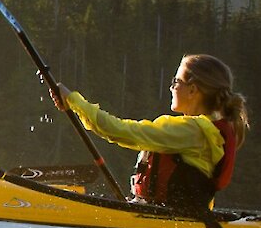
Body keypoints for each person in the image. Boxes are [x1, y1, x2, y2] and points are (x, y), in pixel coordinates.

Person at [52, 53, 248, 213]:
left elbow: (117, 130)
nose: (172, 87)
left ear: (192, 90)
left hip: (167, 222)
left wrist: (73, 100)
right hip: (167, 216)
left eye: (176, 81)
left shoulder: (190, 131)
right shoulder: (205, 130)